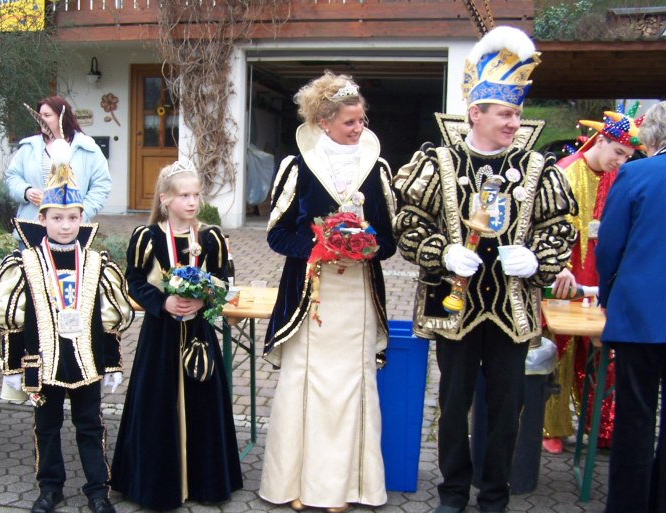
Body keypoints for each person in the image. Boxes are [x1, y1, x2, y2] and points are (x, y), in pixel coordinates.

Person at [393, 27, 577, 513]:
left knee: (506, 410)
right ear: (476, 112)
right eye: (505, 113)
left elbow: (560, 227)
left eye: (517, 113)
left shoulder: (540, 168)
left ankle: (494, 495)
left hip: (511, 308)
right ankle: (453, 493)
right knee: (452, 408)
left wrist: (539, 257)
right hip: (453, 303)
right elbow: (406, 220)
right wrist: (440, 251)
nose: (515, 122)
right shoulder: (438, 162)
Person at [259, 71, 396, 512]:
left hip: (356, 297)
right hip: (308, 296)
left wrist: (364, 247)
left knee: (351, 388)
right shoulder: (295, 167)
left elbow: (390, 240)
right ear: (323, 122)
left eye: (362, 120)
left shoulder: (378, 167)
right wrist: (321, 247)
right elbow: (277, 236)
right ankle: (294, 484)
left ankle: (347, 488)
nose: (360, 128)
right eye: (350, 122)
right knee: (305, 387)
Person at [0, 147, 134, 513]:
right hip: (42, 363)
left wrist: (112, 365)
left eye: (72, 217)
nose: (65, 225)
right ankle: (49, 487)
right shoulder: (24, 262)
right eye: (57, 218)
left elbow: (108, 320)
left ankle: (98, 489)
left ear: (82, 218)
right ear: (42, 218)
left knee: (90, 426)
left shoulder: (97, 262)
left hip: (86, 362)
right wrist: (14, 368)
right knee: (46, 428)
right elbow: (14, 321)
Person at [111, 161, 242, 510]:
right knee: (157, 403)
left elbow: (223, 281)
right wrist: (162, 301)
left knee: (204, 401)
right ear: (165, 199)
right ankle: (156, 484)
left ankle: (206, 481)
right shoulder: (148, 237)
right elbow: (135, 281)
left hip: (198, 332)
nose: (192, 201)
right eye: (184, 195)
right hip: (161, 336)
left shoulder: (211, 237)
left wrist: (204, 299)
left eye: (197, 195)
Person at [542, 104, 645, 454]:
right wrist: (558, 264)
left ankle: (601, 427)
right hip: (564, 278)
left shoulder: (620, 178)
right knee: (558, 352)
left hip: (600, 282)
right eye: (618, 152)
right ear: (600, 140)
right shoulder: (566, 172)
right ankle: (549, 426)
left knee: (601, 355)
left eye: (627, 156)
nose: (621, 160)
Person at [595, 100, 666, 513]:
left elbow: (609, 246)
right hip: (643, 312)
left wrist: (608, 294)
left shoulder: (636, 173)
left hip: (640, 314)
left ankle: (627, 506)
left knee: (635, 418)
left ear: (652, 138)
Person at [5, 96, 111, 228]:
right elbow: (13, 177)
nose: (41, 118)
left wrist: (82, 213)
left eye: (47, 115)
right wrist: (26, 191)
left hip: (72, 229)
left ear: (62, 117)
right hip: (33, 227)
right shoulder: (28, 148)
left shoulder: (87, 148)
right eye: (40, 115)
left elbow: (101, 185)